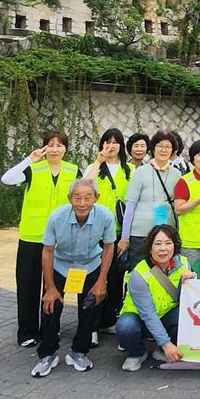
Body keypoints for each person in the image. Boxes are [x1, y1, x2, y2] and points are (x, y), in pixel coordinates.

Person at [30, 179, 115, 377]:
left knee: (90, 309)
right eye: (77, 198)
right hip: (61, 265)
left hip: (90, 265)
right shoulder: (56, 217)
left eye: (88, 197)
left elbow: (110, 246)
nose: (82, 203)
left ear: (96, 198)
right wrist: (50, 287)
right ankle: (48, 354)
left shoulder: (105, 216)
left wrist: (102, 280)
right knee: (50, 306)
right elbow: (48, 251)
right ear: (70, 199)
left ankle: (79, 351)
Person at [1, 130, 79, 347]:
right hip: (31, 237)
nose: (54, 149)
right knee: (27, 285)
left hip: (60, 239)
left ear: (65, 148)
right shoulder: (33, 170)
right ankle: (27, 332)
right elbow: (6, 179)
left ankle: (49, 329)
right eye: (50, 145)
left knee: (53, 286)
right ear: (44, 148)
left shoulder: (73, 171)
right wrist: (30, 159)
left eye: (59, 145)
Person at [116, 224, 195, 371]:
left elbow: (190, 299)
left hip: (166, 316)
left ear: (175, 245)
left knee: (187, 315)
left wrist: (192, 279)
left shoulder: (183, 263)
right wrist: (167, 344)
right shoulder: (139, 274)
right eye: (158, 244)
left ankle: (160, 350)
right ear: (150, 247)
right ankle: (137, 353)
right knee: (125, 327)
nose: (163, 249)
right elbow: (148, 314)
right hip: (140, 318)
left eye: (168, 243)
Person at [82, 128, 131, 340]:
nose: (111, 145)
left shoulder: (129, 170)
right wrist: (98, 161)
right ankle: (91, 326)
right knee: (94, 277)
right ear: (102, 144)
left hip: (119, 233)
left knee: (115, 277)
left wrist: (127, 236)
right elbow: (85, 185)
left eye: (116, 142)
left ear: (121, 145)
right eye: (107, 141)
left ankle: (109, 320)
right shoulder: (95, 168)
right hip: (96, 232)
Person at [120, 130, 183, 272]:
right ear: (153, 148)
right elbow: (130, 205)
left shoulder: (177, 174)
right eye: (160, 146)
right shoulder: (140, 172)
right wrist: (125, 237)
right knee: (139, 272)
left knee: (163, 273)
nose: (163, 150)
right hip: (140, 234)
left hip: (165, 235)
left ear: (173, 151)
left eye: (168, 147)